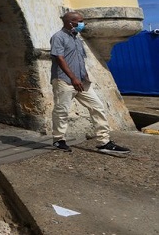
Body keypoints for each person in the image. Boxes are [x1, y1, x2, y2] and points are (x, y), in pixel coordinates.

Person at [50, 11, 130, 155]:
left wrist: (84, 75)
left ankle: (104, 142)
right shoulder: (58, 37)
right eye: (80, 21)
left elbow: (80, 59)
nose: (82, 24)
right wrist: (73, 78)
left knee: (97, 107)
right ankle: (59, 139)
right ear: (70, 22)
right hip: (64, 81)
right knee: (62, 111)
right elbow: (59, 58)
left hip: (82, 82)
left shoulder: (77, 39)